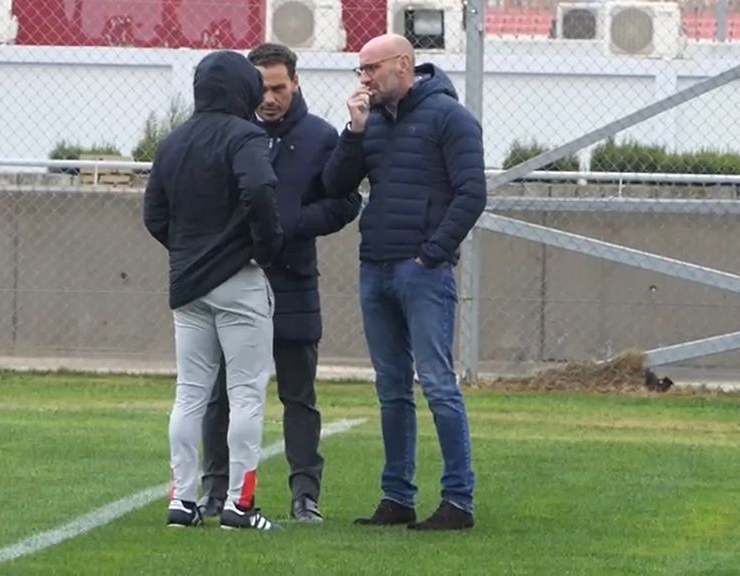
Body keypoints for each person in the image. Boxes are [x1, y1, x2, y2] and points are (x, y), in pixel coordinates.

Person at [321, 34, 486, 531]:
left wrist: (431, 254)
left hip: (421, 272)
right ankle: (397, 498)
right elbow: (334, 185)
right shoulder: (369, 125)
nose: (364, 79)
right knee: (391, 389)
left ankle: (458, 501)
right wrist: (353, 132)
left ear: (404, 66)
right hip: (376, 267)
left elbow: (471, 193)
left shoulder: (450, 118)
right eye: (360, 72)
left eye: (371, 69)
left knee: (437, 384)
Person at [197, 43, 362, 523]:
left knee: (298, 394)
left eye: (278, 87)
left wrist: (288, 222)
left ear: (296, 83)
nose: (269, 98)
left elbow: (345, 203)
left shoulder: (319, 137)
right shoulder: (230, 134)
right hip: (233, 280)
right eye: (261, 88)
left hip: (293, 283)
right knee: (222, 394)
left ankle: (305, 495)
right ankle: (215, 489)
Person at [143, 50, 282, 531]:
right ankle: (239, 507)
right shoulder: (245, 135)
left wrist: (187, 252)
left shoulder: (173, 141)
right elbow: (261, 189)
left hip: (188, 284)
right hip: (238, 279)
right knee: (245, 394)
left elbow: (154, 215)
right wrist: (265, 247)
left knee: (190, 395)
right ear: (242, 87)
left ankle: (182, 501)